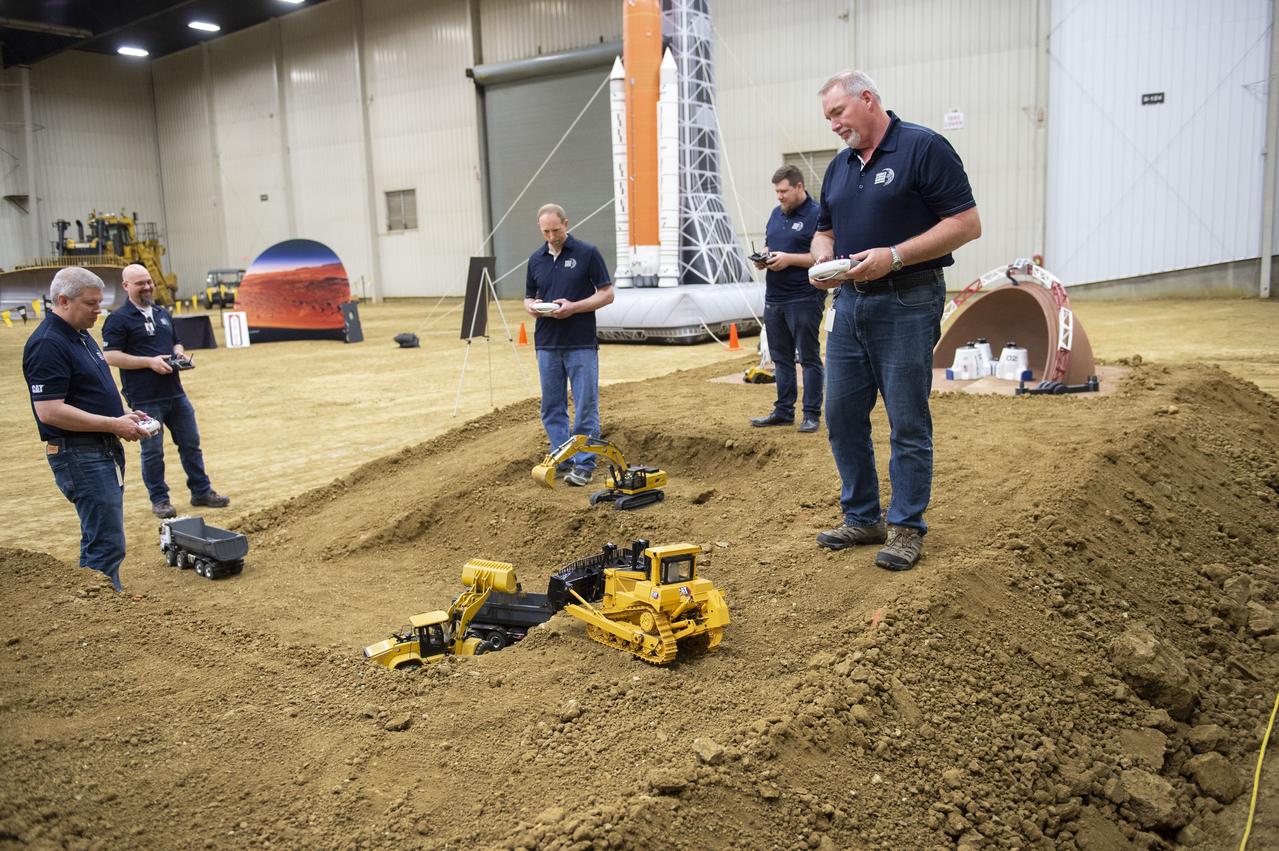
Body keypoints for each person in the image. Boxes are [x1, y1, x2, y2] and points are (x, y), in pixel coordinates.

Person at [809, 70, 981, 571]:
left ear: (867, 99)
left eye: (838, 113)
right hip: (849, 303)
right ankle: (863, 516)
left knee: (906, 418)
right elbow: (825, 229)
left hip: (907, 298)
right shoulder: (840, 167)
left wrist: (896, 256)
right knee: (840, 414)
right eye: (827, 118)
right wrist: (823, 260)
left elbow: (966, 224)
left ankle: (906, 526)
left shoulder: (924, 148)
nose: (834, 125)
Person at [23, 267, 152, 592]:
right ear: (64, 301)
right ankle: (99, 616)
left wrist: (124, 414)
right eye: (91, 304)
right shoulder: (48, 344)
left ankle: (102, 606)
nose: (99, 310)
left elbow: (91, 389)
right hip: (80, 454)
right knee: (106, 543)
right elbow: (50, 411)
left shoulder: (80, 334)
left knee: (103, 535)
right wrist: (112, 424)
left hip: (99, 450)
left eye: (100, 303)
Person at [102, 264, 230, 519]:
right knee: (153, 452)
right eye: (140, 283)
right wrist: (148, 362)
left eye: (149, 281)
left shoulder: (162, 312)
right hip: (145, 397)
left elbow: (175, 340)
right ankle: (160, 499)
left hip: (175, 393)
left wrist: (178, 352)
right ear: (126, 286)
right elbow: (110, 356)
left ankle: (201, 491)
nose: (147, 287)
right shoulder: (118, 319)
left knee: (191, 444)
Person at [524, 203, 614, 487]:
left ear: (566, 223)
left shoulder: (588, 253)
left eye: (556, 229)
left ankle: (585, 463)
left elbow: (607, 294)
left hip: (580, 342)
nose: (551, 236)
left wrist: (574, 307)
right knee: (552, 406)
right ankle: (562, 459)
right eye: (546, 231)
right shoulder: (535, 259)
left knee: (585, 404)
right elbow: (528, 297)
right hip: (547, 343)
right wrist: (533, 307)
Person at [749, 165, 824, 433]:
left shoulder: (817, 215)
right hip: (775, 297)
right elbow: (772, 245)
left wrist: (789, 259)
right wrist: (765, 259)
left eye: (783, 191)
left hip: (804, 297)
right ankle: (783, 411)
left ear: (799, 187)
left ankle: (812, 414)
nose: (779, 197)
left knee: (808, 357)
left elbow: (822, 258)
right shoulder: (776, 214)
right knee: (780, 359)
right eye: (777, 192)